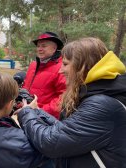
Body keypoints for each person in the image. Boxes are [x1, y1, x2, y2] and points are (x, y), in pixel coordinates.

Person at [16, 37, 126, 167]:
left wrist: (26, 112)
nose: (60, 70)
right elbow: (68, 129)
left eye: (66, 64)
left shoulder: (102, 104)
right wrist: (36, 111)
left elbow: (50, 142)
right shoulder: (95, 94)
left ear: (83, 66)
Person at [22, 31, 66, 119]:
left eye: (44, 46)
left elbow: (63, 98)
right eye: (38, 46)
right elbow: (26, 88)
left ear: (54, 48)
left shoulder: (62, 68)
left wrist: (39, 110)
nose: (39, 49)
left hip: (47, 120)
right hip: (27, 113)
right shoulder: (33, 65)